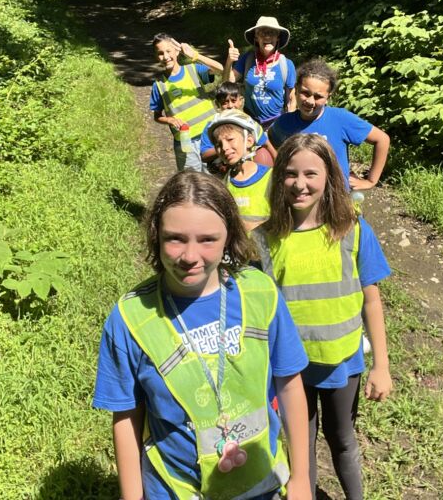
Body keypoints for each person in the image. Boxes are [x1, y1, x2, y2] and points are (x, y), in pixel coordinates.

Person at [93, 171, 312, 500]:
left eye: (207, 239)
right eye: (175, 238)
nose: (190, 256)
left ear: (229, 236)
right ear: (155, 235)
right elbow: (126, 415)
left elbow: (290, 383)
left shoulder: (260, 293)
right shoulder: (130, 318)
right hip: (175, 489)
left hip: (260, 484)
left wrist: (301, 479)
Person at [252, 134, 393, 499]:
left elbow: (371, 301)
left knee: (342, 437)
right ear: (278, 176)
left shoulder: (353, 230)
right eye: (291, 173)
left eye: (311, 174)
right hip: (290, 371)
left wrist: (381, 366)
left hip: (342, 362)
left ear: (330, 177)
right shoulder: (265, 240)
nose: (300, 184)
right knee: (302, 445)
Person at [267, 59, 390, 191]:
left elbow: (382, 139)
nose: (310, 101)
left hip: (336, 196)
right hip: (301, 195)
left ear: (328, 98)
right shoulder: (285, 122)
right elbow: (269, 141)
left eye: (318, 96)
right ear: (296, 90)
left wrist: (371, 180)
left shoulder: (341, 119)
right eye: (305, 93)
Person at [150, 33, 223, 172]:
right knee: (192, 185)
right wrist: (169, 120)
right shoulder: (159, 85)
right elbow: (157, 116)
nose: (165, 57)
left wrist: (195, 56)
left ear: (177, 51)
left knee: (216, 181)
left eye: (168, 51)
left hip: (210, 136)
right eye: (160, 53)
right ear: (156, 56)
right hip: (185, 143)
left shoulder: (194, 70)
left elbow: (220, 69)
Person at [223, 16, 297, 128]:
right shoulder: (247, 59)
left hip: (276, 123)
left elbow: (292, 98)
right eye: (262, 32)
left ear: (278, 37)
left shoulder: (286, 64)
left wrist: (289, 123)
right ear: (256, 37)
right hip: (250, 122)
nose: (267, 36)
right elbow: (227, 82)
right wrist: (229, 61)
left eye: (272, 32)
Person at [208, 109, 273, 232]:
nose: (225, 148)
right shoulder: (224, 183)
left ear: (249, 141)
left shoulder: (271, 177)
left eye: (230, 139)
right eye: (218, 144)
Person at [201, 82, 277, 174]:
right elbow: (204, 156)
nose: (230, 106)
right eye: (224, 103)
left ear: (240, 101)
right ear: (218, 104)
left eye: (233, 101)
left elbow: (267, 145)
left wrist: (279, 166)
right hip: (221, 174)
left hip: (247, 170)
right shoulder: (212, 126)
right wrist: (223, 148)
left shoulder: (249, 123)